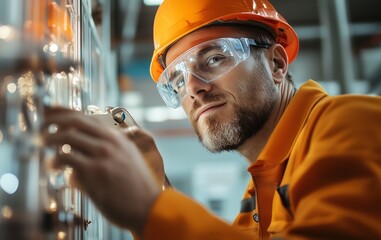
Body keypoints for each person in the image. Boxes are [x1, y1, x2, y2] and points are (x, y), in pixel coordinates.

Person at [43, 0, 381, 239]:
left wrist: (151, 208)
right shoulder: (263, 186)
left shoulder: (350, 123)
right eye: (177, 80)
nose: (193, 89)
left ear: (276, 64)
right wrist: (158, 189)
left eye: (215, 58)